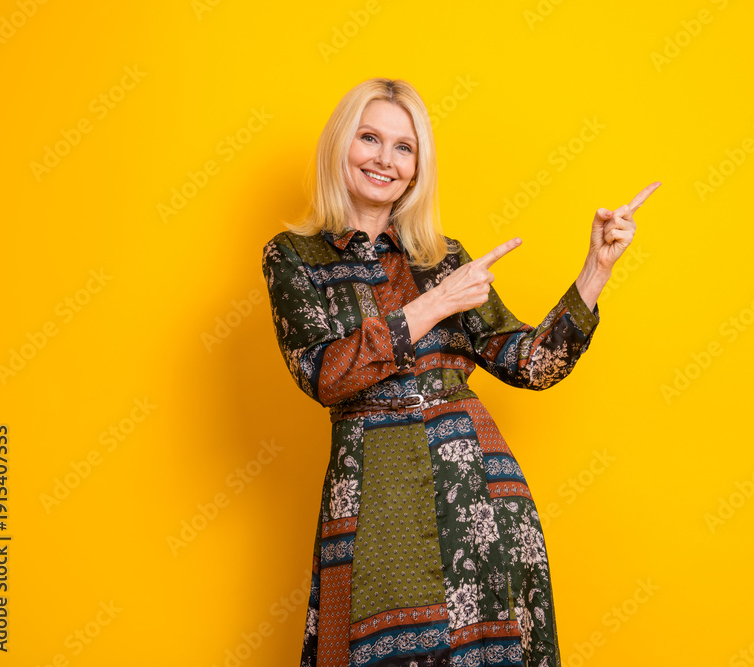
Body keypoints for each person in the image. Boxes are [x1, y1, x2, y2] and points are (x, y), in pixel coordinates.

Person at [261, 76, 660, 667]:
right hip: (375, 494)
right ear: (340, 144)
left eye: (404, 147)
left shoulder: (445, 257)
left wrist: (595, 269)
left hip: (477, 492)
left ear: (417, 169)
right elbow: (324, 374)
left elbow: (530, 363)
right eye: (370, 138)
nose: (385, 159)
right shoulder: (292, 255)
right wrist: (434, 305)